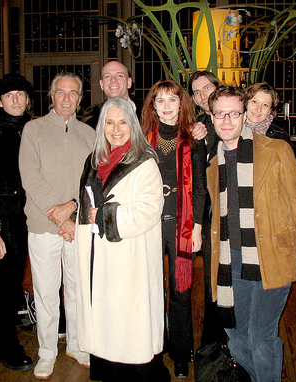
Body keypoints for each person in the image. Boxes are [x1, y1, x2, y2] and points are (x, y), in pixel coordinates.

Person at [206, 85, 296, 382]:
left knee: (261, 335)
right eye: (220, 114)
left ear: (243, 117)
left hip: (273, 256)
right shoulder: (214, 165)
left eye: (233, 113)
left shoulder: (276, 149)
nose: (226, 120)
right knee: (234, 333)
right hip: (233, 261)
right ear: (212, 117)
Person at [75, 97, 170, 382]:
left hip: (130, 258)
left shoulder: (144, 162)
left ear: (134, 125)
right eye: (109, 122)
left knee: (130, 323)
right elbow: (87, 204)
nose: (116, 129)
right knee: (106, 320)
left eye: (123, 122)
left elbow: (149, 210)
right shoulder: (94, 161)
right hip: (97, 254)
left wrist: (104, 216)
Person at [19, 72, 95, 380]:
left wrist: (73, 211)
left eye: (73, 93)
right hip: (42, 225)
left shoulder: (90, 133)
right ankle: (47, 351)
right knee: (46, 292)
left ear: (80, 98)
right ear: (51, 96)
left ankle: (77, 345)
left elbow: (93, 179)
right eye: (60, 92)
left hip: (78, 226)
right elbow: (30, 174)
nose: (66, 98)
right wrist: (58, 214)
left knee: (77, 290)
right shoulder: (33, 129)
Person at [141, 79, 207, 378]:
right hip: (149, 225)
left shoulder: (194, 137)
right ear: (152, 106)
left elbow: (201, 187)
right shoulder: (142, 139)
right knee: (150, 290)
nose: (167, 106)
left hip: (182, 225)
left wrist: (197, 228)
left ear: (182, 103)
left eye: (173, 100)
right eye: (161, 101)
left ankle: (181, 353)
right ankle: (152, 348)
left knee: (180, 292)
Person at [0, 73, 34, 371]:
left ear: (28, 99)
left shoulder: (34, 129)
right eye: (9, 96)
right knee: (4, 285)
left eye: (20, 95)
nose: (16, 100)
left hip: (27, 217)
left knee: (12, 281)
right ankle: (4, 345)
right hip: (3, 220)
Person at [188, 71, 228, 349]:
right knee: (213, 278)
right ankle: (213, 344)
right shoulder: (199, 124)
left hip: (235, 208)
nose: (203, 95)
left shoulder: (233, 117)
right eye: (197, 92)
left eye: (207, 88)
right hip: (209, 210)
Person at [82, 60, 142, 129]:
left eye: (119, 75)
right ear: (102, 85)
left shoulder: (147, 112)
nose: (113, 79)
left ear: (129, 83)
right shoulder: (91, 117)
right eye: (107, 76)